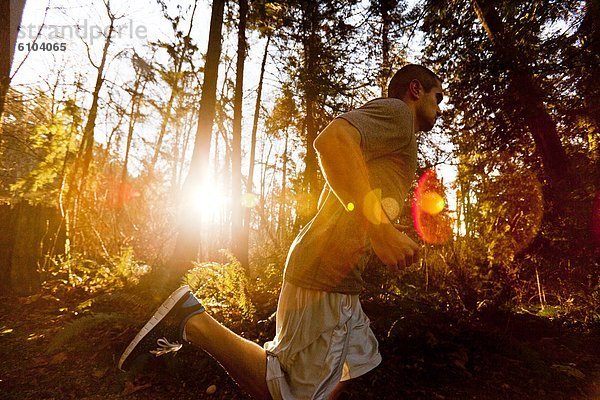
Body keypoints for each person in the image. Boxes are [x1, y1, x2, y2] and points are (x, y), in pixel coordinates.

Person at [118, 64, 444, 400]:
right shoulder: (398, 114)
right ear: (415, 90)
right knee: (292, 392)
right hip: (325, 273)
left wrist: (379, 227)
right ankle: (192, 321)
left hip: (334, 272)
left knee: (355, 356)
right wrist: (379, 230)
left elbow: (344, 188)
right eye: (438, 97)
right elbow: (331, 142)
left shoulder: (393, 132)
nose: (440, 107)